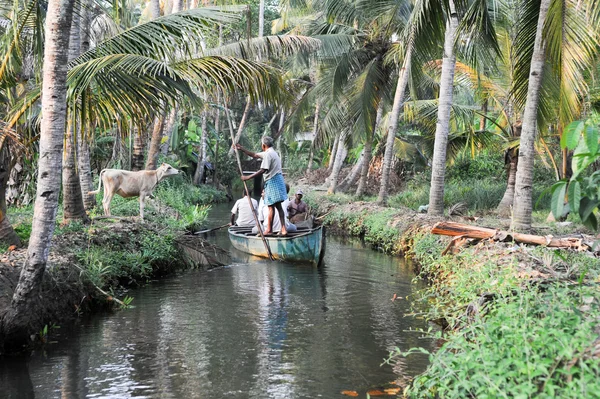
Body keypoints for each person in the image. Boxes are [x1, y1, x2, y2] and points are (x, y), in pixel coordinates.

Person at [236, 137, 288, 236]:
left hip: (272, 181)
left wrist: (248, 177)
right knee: (278, 206)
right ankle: (283, 229)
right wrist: (241, 149)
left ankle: (269, 229)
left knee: (270, 207)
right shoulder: (272, 152)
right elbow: (254, 155)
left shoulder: (268, 155)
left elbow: (263, 170)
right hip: (279, 180)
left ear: (264, 145)